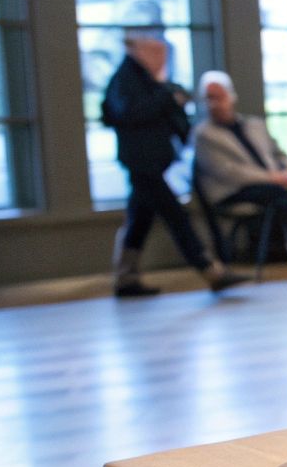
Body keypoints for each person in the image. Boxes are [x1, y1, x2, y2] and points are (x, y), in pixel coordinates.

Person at [104, 29, 247, 297]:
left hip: (153, 164)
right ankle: (210, 270)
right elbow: (124, 114)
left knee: (139, 220)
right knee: (175, 217)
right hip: (143, 164)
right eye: (157, 52)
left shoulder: (147, 80)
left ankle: (125, 278)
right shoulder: (127, 80)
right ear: (141, 51)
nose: (162, 57)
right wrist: (167, 98)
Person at [192, 71, 287, 279]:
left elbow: (278, 152)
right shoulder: (204, 134)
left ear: (231, 96)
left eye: (219, 97)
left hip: (271, 188)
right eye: (209, 98)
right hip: (235, 191)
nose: (214, 104)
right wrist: (274, 178)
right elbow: (229, 173)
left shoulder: (254, 125)